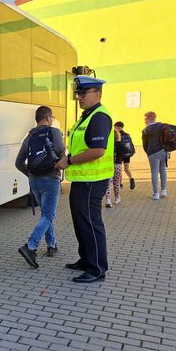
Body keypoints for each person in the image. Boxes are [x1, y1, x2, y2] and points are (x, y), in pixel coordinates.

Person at [55, 75, 114, 283]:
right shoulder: (86, 116)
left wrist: (68, 160)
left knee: (90, 222)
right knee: (81, 222)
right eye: (78, 93)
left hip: (92, 180)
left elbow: (98, 150)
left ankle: (97, 268)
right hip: (82, 180)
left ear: (98, 94)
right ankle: (86, 259)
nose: (79, 97)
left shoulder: (99, 117)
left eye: (83, 93)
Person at [15, 106, 65, 268]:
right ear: (48, 117)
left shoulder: (30, 136)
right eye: (52, 117)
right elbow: (60, 150)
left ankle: (51, 245)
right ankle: (30, 246)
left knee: (45, 214)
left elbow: (18, 162)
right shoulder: (54, 132)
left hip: (34, 181)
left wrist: (30, 173)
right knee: (49, 215)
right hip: (50, 179)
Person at [142, 111, 167, 200]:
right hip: (164, 151)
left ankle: (156, 193)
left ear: (149, 118)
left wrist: (148, 153)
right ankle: (164, 191)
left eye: (145, 119)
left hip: (152, 153)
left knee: (154, 172)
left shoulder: (145, 130)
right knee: (163, 170)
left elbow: (145, 144)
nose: (144, 121)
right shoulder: (162, 126)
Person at [114, 121, 136, 190]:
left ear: (119, 127)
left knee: (119, 168)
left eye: (115, 127)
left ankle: (120, 183)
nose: (114, 128)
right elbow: (131, 144)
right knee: (126, 169)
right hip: (127, 154)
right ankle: (131, 178)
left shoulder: (116, 134)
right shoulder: (127, 135)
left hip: (119, 154)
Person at [105, 129, 124, 207]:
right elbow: (126, 151)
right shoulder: (119, 144)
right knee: (116, 183)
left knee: (108, 183)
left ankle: (108, 200)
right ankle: (117, 198)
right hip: (118, 165)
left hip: (108, 165)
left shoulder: (107, 144)